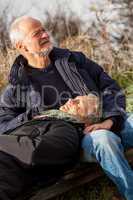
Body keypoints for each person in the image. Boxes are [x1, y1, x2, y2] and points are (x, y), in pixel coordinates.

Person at [0, 15, 132, 200]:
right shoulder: (16, 88)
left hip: (107, 120)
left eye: (44, 29)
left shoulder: (72, 59)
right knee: (104, 140)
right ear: (22, 46)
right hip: (77, 142)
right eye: (37, 33)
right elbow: (3, 125)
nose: (45, 34)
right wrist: (32, 115)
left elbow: (111, 87)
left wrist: (110, 120)